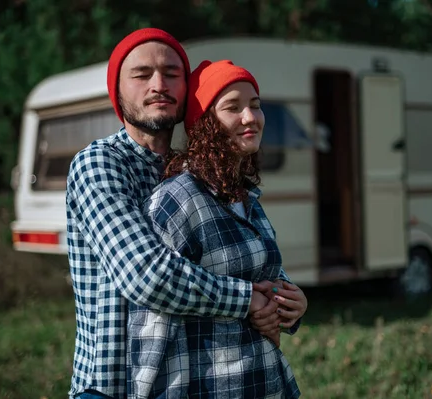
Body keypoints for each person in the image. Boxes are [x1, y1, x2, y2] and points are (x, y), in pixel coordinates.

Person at [66, 28, 281, 399]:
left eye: (171, 73)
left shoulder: (197, 174)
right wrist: (248, 300)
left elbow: (239, 256)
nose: (158, 84)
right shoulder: (100, 164)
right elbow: (145, 276)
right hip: (111, 383)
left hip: (183, 377)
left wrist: (284, 297)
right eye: (141, 74)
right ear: (116, 90)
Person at [129, 59, 308, 398]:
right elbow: (153, 311)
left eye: (255, 106)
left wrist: (292, 304)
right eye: (233, 107)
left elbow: (264, 276)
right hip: (208, 386)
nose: (250, 117)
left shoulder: (247, 197)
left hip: (264, 381)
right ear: (205, 123)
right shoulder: (178, 199)